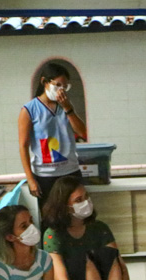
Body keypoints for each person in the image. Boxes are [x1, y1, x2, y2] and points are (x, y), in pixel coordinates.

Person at [41, 176, 145, 280]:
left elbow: (119, 264)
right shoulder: (53, 234)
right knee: (84, 259)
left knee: (107, 253)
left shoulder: (99, 228)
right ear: (64, 207)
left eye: (86, 197)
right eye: (78, 200)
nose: (86, 202)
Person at [18, 62, 86, 215]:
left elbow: (82, 132)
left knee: (76, 214)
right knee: (51, 216)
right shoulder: (29, 110)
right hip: (45, 176)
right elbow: (23, 146)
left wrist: (68, 108)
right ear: (45, 82)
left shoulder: (65, 106)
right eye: (57, 85)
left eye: (65, 86)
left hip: (70, 171)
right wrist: (30, 179)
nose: (61, 90)